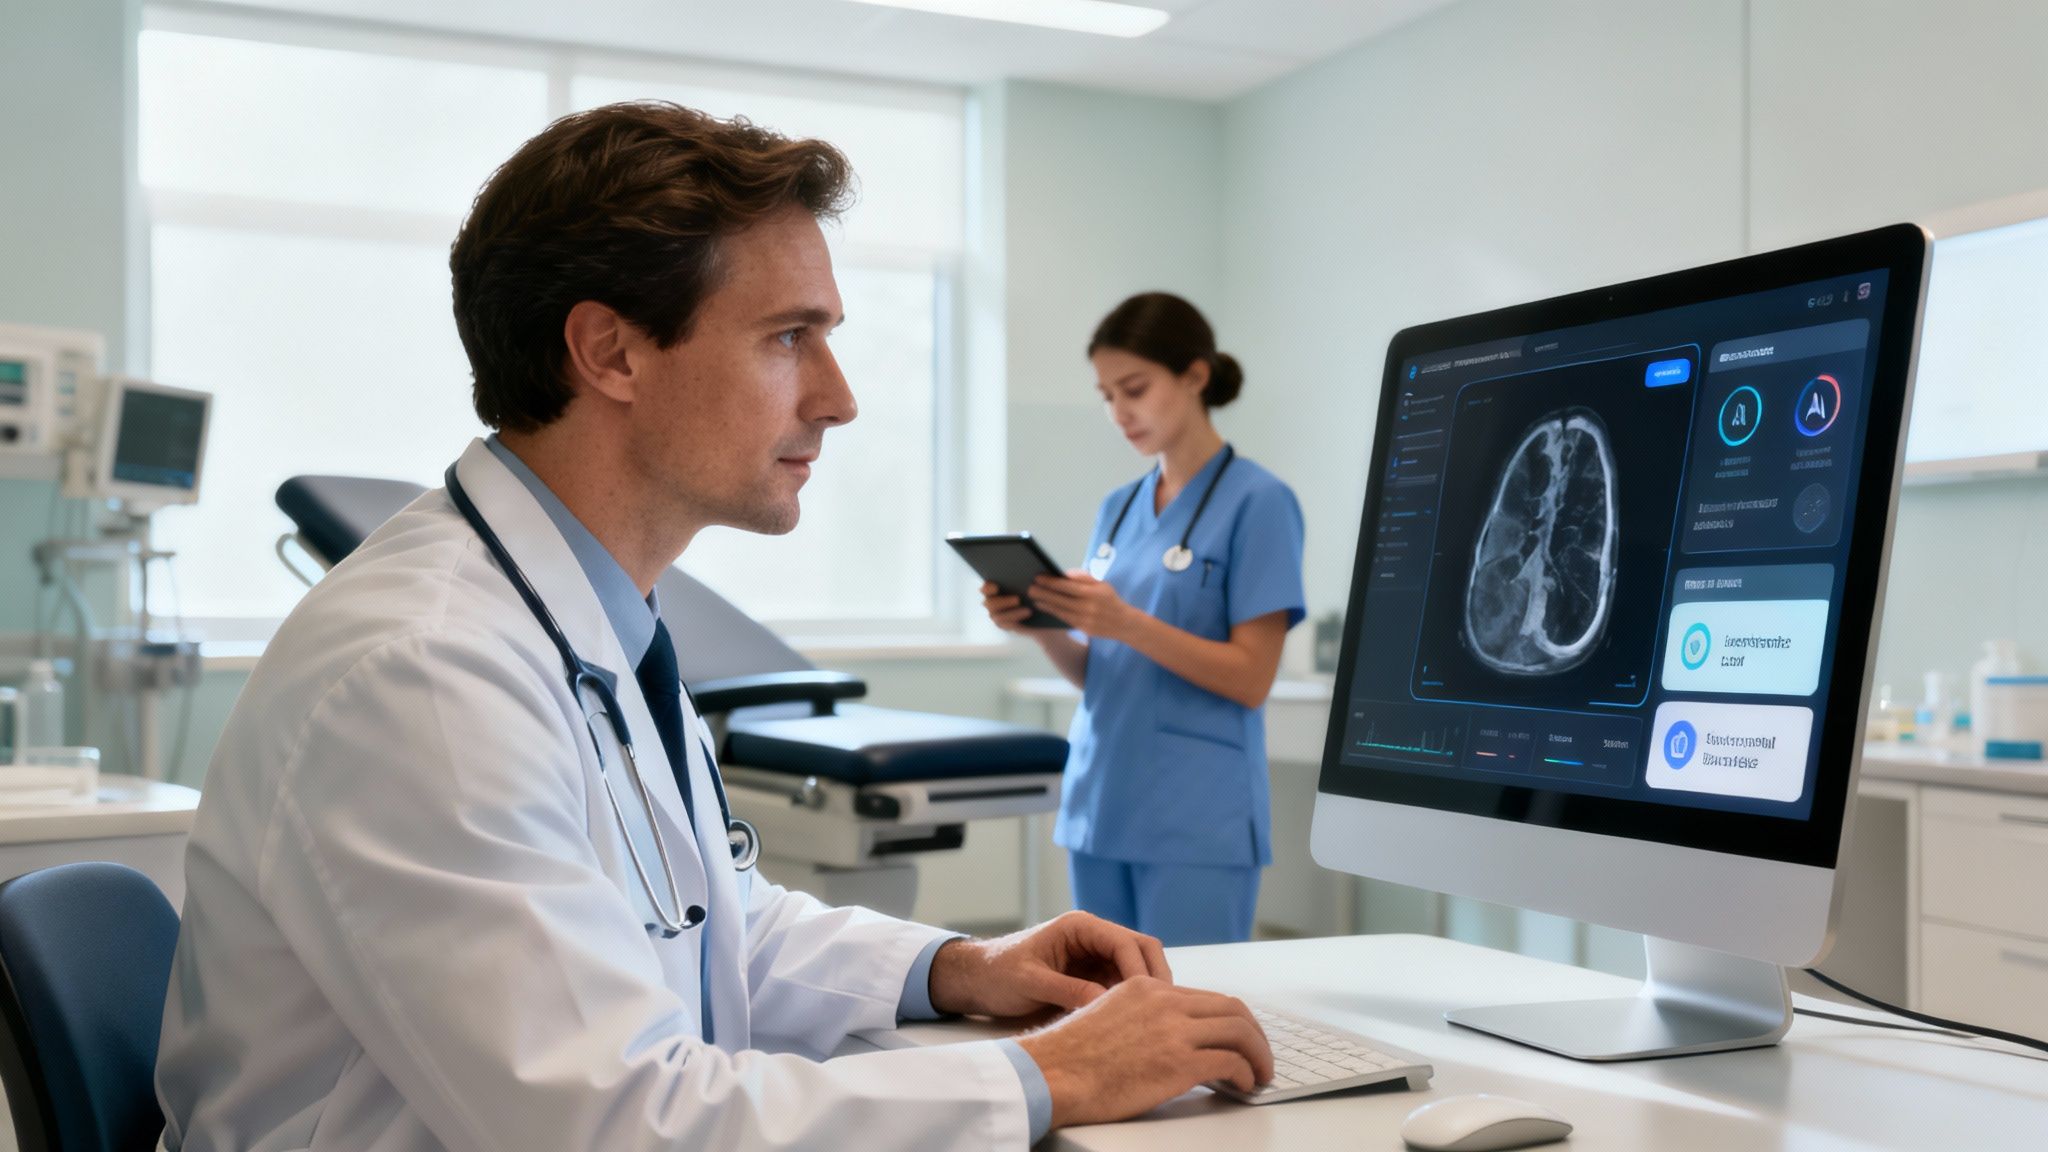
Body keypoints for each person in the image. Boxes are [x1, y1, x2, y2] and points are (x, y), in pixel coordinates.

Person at [154, 104, 1271, 1152]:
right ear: (611, 353)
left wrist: (958, 967)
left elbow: (704, 923)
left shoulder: (594, 621)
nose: (837, 397)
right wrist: (1045, 1076)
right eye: (789, 337)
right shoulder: (429, 672)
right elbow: (615, 1120)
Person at [983, 293, 1306, 946]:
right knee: (1102, 996)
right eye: (1106, 396)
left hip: (1196, 817)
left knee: (1186, 997)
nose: (1119, 412)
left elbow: (1251, 678)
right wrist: (1043, 626)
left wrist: (1125, 622)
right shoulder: (1119, 507)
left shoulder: (1260, 502)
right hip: (1102, 801)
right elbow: (1100, 671)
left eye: (1134, 389)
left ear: (1195, 376)